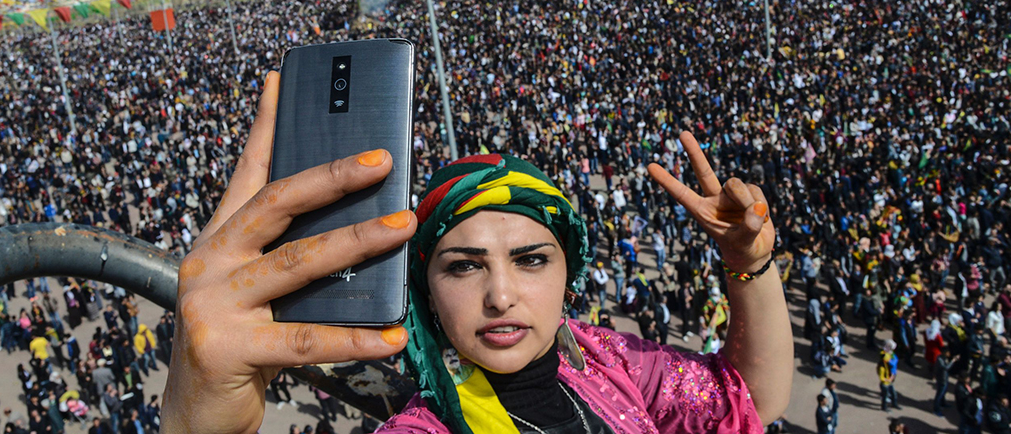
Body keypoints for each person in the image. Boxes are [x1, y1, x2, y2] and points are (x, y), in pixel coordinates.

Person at [159, 76, 792, 434]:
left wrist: (751, 265)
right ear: (426, 292)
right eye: (463, 265)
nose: (501, 295)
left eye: (531, 259)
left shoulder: (606, 361)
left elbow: (747, 402)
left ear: (569, 273)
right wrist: (198, 416)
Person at [877, 339, 899, 411]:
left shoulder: (890, 357)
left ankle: (894, 404)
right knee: (885, 396)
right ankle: (884, 407)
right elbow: (881, 377)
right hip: (885, 383)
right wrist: (889, 379)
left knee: (893, 394)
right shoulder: (882, 368)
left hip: (889, 381)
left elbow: (894, 360)